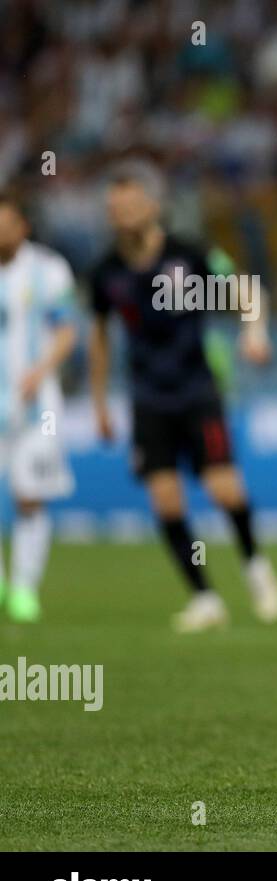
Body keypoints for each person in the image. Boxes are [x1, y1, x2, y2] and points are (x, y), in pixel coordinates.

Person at [89, 160, 277, 633]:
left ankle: (254, 563)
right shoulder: (106, 272)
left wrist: (254, 332)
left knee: (223, 487)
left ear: (154, 205)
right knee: (166, 500)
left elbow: (245, 291)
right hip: (147, 397)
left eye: (131, 202)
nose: (123, 212)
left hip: (197, 390)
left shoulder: (186, 257)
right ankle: (205, 597)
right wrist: (99, 401)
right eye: (115, 205)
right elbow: (99, 336)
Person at [0, 188, 77, 622]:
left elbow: (67, 331)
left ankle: (25, 589)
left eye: (5, 224)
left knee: (29, 494)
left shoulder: (48, 270)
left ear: (22, 227)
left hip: (38, 407)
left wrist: (40, 369)